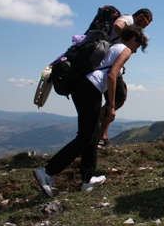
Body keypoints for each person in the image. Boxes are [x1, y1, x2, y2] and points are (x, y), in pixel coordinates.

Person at [33, 24, 149, 196]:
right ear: (133, 39)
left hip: (81, 86)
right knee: (85, 137)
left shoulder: (112, 46)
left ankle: (88, 179)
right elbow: (111, 75)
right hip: (91, 89)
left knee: (92, 135)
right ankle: (48, 172)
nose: (136, 50)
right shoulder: (125, 50)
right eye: (138, 46)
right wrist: (111, 105)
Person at [99, 8, 153, 145]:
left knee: (119, 97)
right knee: (118, 97)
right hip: (111, 65)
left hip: (110, 62)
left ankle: (100, 134)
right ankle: (97, 132)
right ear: (141, 16)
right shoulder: (129, 19)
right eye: (145, 23)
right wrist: (126, 42)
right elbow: (118, 25)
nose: (143, 27)